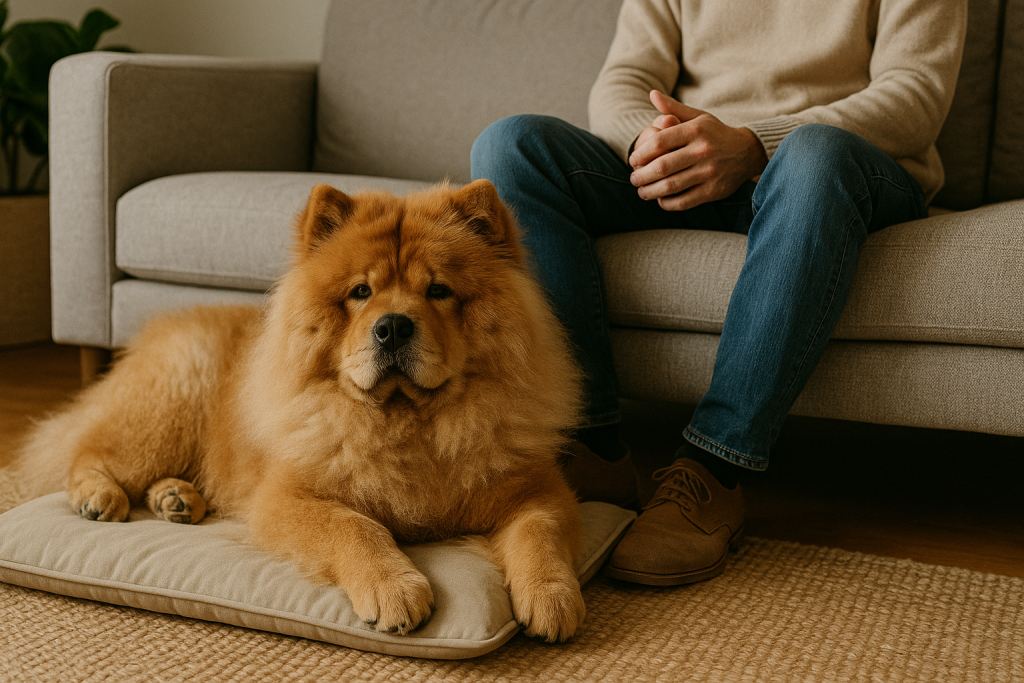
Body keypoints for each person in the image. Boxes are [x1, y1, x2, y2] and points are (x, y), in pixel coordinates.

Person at [470, 0, 967, 587]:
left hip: (832, 171)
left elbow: (915, 97)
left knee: (812, 152)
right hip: (689, 162)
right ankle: (592, 446)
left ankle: (713, 468)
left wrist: (755, 144)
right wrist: (657, 146)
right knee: (513, 144)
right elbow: (624, 80)